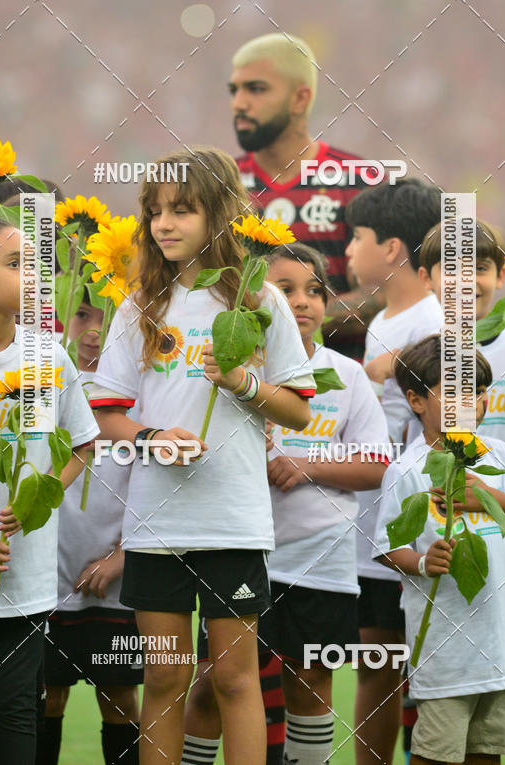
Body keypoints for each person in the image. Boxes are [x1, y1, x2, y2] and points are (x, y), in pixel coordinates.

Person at [91, 147, 316, 765]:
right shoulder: (139, 305)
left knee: (233, 679)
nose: (164, 224)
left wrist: (242, 382)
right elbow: (107, 413)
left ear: (219, 213)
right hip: (155, 525)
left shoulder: (261, 301)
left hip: (234, 522)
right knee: (163, 679)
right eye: (155, 212)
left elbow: (298, 409)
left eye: (182, 211)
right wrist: (151, 439)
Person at [183, 242, 391, 765]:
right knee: (215, 679)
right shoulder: (227, 369)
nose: (302, 302)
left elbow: (375, 466)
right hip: (239, 549)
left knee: (311, 680)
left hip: (321, 558)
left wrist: (308, 466)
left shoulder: (346, 375)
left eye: (314, 290)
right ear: (254, 299)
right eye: (285, 289)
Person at [0, 217, 99, 765]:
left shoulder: (45, 360)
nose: (33, 277)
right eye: (15, 264)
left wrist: (39, 499)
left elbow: (81, 444)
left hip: (25, 572)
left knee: (17, 709)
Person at [373, 334, 505, 765]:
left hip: (502, 652)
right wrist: (423, 563)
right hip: (444, 658)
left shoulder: (498, 455)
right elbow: (387, 547)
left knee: (487, 754)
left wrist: (488, 495)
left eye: (478, 391)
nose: (471, 402)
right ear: (415, 400)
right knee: (436, 755)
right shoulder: (407, 470)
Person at [418, 219, 505, 765]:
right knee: (450, 705)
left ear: (501, 277)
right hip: (458, 568)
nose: (466, 280)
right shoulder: (419, 357)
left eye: (481, 268)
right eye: (452, 268)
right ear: (428, 280)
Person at [344, 178, 442, 765]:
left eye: (356, 237)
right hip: (374, 529)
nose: (347, 252)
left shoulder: (428, 325)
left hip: (410, 531)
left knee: (397, 671)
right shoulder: (386, 318)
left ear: (393, 249)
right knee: (377, 668)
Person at [230, 31, 383, 361]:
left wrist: (298, 319)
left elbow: (384, 290)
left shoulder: (359, 180)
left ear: (300, 98)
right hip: (248, 385)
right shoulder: (222, 184)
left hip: (341, 384)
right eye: (235, 90)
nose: (239, 103)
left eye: (256, 89)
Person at [38, 291, 142, 765]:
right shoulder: (43, 383)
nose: (94, 330)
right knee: (45, 696)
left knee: (119, 696)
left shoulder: (138, 393)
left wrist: (121, 555)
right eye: (82, 315)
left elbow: (160, 482)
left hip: (115, 579)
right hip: (47, 577)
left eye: (108, 317)